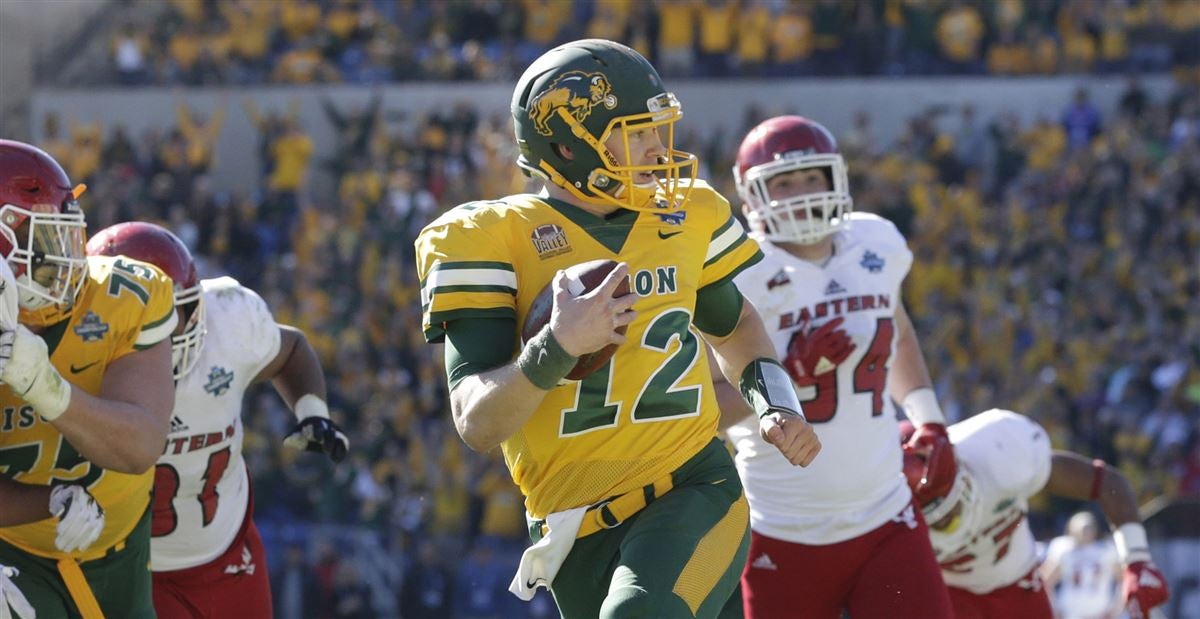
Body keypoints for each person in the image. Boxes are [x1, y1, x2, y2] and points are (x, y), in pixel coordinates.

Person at [414, 39, 820, 618]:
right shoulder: (488, 238)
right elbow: (477, 424)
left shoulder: (683, 217)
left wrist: (775, 403)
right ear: (567, 143)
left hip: (692, 488)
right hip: (570, 526)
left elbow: (736, 329)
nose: (658, 151)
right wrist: (555, 348)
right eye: (637, 134)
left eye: (657, 131)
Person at [713, 115, 954, 619]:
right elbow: (703, 409)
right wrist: (784, 380)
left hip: (888, 515)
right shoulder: (734, 271)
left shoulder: (875, 243)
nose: (801, 192)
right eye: (783, 182)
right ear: (753, 196)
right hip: (784, 528)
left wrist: (928, 417)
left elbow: (898, 332)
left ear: (835, 178)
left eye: (810, 178)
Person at [86, 221, 349, 618]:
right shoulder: (74, 358)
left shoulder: (228, 320)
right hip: (126, 564)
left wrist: (312, 412)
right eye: (148, 316)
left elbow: (291, 348)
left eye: (174, 311)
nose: (166, 329)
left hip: (227, 550)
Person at [0, 139, 178, 617]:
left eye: (67, 237)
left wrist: (43, 384)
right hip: (14, 557)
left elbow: (140, 445)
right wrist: (48, 500)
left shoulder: (123, 293)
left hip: (122, 551)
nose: (67, 260)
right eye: (45, 242)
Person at [902, 409, 1170, 619]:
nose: (951, 523)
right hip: (948, 595)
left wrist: (1137, 559)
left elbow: (1107, 483)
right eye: (937, 520)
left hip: (1018, 587)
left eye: (951, 509)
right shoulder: (883, 512)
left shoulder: (997, 450)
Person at [1041, 511, 1123, 619]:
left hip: (1100, 612)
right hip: (1070, 613)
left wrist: (1116, 607)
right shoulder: (1064, 550)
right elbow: (1046, 582)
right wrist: (1054, 608)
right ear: (1071, 529)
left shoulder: (1106, 550)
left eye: (1089, 528)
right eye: (1083, 528)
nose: (1086, 532)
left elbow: (1123, 579)